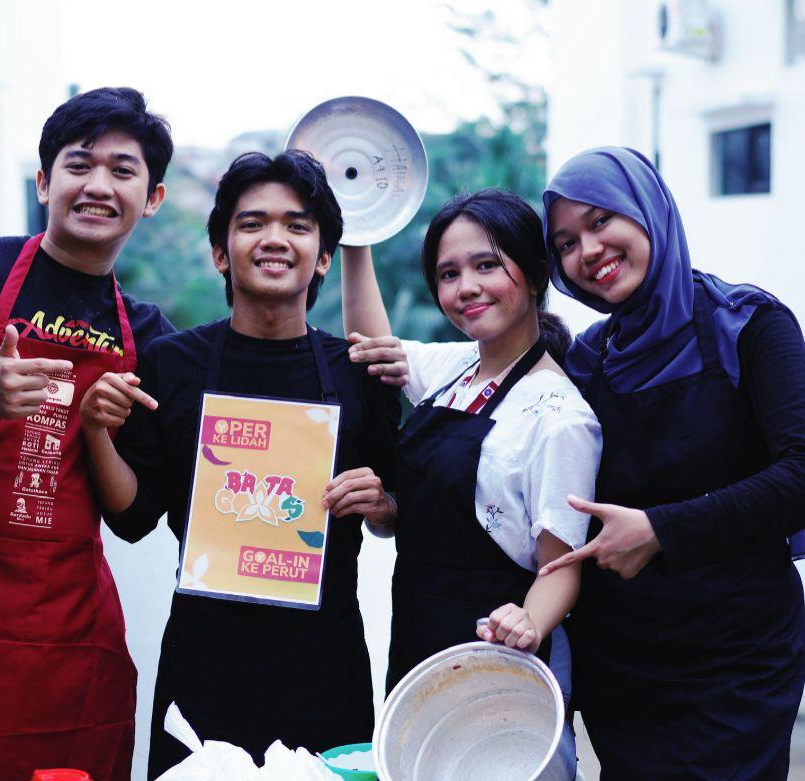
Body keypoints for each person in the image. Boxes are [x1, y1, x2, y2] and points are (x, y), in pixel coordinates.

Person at [79, 150, 400, 777]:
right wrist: (95, 431)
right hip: (204, 664)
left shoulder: (359, 373)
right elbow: (132, 518)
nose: (274, 239)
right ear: (221, 253)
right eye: (252, 223)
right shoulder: (172, 364)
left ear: (324, 257)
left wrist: (381, 502)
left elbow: (397, 510)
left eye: (297, 225)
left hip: (325, 665)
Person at [0, 86, 174, 780]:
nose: (98, 185)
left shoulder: (149, 335)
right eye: (79, 165)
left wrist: (97, 431)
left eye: (122, 170)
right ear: (45, 181)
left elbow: (136, 519)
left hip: (72, 635)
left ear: (152, 199)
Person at [537, 146, 805, 780]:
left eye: (602, 220)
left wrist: (661, 530)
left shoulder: (750, 325)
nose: (588, 250)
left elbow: (800, 475)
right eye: (566, 243)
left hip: (739, 663)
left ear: (648, 210)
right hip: (624, 674)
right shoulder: (586, 363)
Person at [341, 190, 602, 779]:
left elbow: (562, 566)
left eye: (487, 265)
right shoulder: (455, 368)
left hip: (502, 652)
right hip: (419, 636)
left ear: (534, 273)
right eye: (448, 274)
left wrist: (529, 622)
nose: (467, 287)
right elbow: (369, 351)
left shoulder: (560, 417)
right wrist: (358, 234)